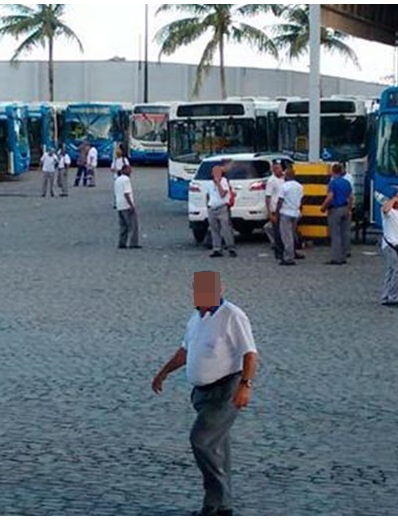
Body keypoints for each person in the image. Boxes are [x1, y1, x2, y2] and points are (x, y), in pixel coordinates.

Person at [151, 271, 258, 516]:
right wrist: (163, 372)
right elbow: (185, 350)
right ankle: (221, 506)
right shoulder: (196, 317)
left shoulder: (232, 316)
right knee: (217, 446)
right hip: (202, 394)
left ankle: (215, 500)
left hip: (225, 391)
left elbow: (250, 353)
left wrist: (245, 385)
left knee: (200, 440)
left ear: (220, 291)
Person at [380, 190, 398, 307]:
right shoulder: (389, 212)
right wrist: (393, 200)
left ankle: (385, 296)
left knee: (391, 271)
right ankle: (392, 296)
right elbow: (385, 209)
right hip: (391, 246)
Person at [320, 163, 353, 265]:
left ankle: (336, 258)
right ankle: (344, 255)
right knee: (345, 233)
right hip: (345, 208)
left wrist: (323, 207)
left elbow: (330, 196)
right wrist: (349, 209)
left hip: (335, 209)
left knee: (335, 234)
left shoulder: (333, 183)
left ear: (333, 171)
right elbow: (351, 197)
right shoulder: (347, 182)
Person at [207, 161, 237, 258]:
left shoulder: (224, 181)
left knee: (226, 229)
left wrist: (218, 183)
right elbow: (208, 195)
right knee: (214, 229)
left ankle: (231, 248)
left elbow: (223, 194)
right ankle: (217, 249)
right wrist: (208, 206)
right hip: (212, 207)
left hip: (222, 207)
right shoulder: (209, 183)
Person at [275, 166, 304, 266]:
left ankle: (288, 257)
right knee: (291, 234)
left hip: (286, 212)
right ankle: (293, 253)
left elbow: (280, 201)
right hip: (295, 212)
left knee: (286, 236)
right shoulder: (300, 186)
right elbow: (302, 200)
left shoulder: (284, 186)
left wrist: (276, 212)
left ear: (286, 176)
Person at [114, 161, 139, 249]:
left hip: (119, 205)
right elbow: (126, 193)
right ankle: (133, 243)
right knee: (133, 225)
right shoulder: (126, 180)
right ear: (125, 170)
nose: (131, 172)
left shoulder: (117, 179)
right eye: (129, 170)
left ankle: (122, 242)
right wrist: (131, 205)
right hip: (126, 205)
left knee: (123, 225)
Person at [263, 161, 285, 260]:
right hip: (275, 209)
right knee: (278, 233)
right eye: (274, 168)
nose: (277, 170)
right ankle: (279, 252)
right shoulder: (271, 181)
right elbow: (268, 197)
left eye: (278, 168)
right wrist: (269, 212)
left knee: (287, 232)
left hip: (286, 209)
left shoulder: (285, 178)